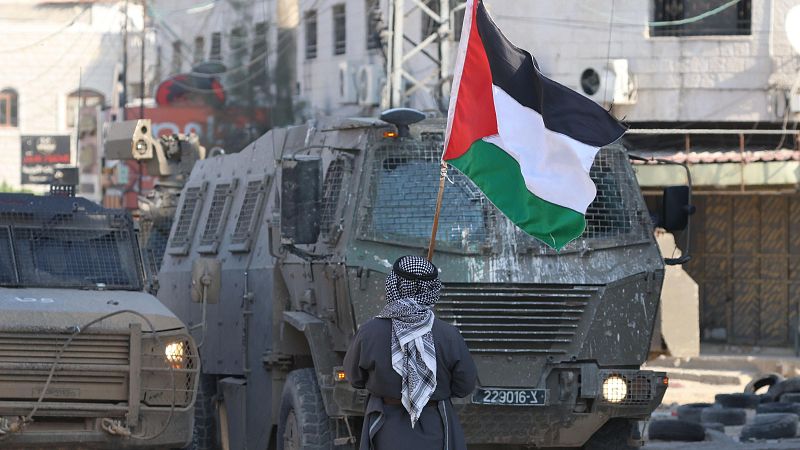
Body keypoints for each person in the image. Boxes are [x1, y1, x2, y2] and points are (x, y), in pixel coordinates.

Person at [343, 255, 477, 450]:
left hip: (386, 428)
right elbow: (464, 385)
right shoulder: (449, 335)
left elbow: (355, 378)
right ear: (431, 289)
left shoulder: (369, 332)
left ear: (394, 285)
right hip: (437, 428)